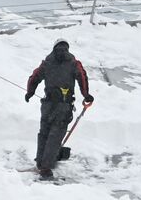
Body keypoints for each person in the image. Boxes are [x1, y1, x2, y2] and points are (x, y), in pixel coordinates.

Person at [25, 39, 93, 180]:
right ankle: (46, 167)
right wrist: (86, 95)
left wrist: (30, 92)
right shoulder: (74, 63)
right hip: (63, 106)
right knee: (55, 136)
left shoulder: (47, 63)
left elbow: (34, 77)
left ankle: (40, 160)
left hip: (48, 104)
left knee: (44, 133)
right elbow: (82, 77)